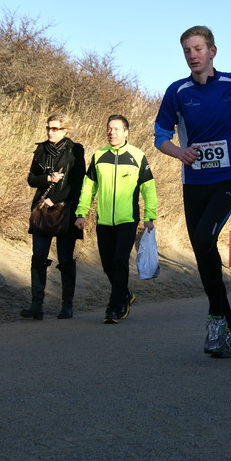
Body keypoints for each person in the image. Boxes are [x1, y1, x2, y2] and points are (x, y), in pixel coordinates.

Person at [154, 25, 231, 358]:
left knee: (205, 238)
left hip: (228, 177)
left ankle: (216, 318)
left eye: (198, 49)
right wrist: (179, 152)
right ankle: (227, 326)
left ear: (212, 51)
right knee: (204, 252)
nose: (193, 55)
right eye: (187, 51)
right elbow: (161, 135)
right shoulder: (177, 91)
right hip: (193, 182)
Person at [75, 115, 157, 323]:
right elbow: (88, 187)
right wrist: (81, 213)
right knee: (107, 264)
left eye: (116, 129)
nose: (112, 132)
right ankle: (126, 295)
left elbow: (148, 188)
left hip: (127, 220)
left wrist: (149, 216)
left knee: (120, 262)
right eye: (109, 129)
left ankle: (114, 307)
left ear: (126, 132)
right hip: (103, 220)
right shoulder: (99, 156)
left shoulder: (137, 156)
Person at [21, 114, 85, 320]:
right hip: (42, 210)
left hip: (66, 211)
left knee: (66, 259)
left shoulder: (76, 150)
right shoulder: (41, 149)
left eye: (56, 129)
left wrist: (56, 198)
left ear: (66, 130)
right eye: (49, 127)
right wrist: (47, 178)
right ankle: (36, 306)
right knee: (38, 257)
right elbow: (31, 179)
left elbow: (78, 185)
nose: (50, 131)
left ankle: (67, 305)